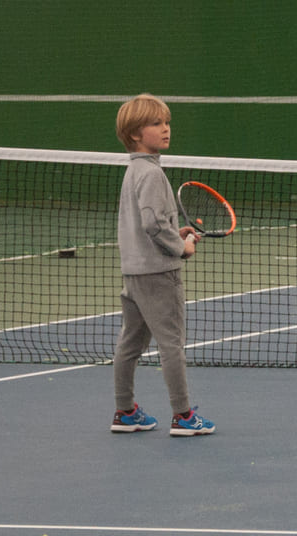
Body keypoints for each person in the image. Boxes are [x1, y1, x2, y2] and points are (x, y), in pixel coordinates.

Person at [111, 93, 215, 437]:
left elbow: (151, 222)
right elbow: (153, 225)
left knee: (130, 344)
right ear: (136, 134)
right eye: (156, 123)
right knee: (171, 345)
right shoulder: (152, 175)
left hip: (134, 272)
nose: (166, 129)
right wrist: (181, 247)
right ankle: (183, 416)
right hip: (158, 274)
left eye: (167, 122)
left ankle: (124, 411)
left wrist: (176, 232)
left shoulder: (135, 170)